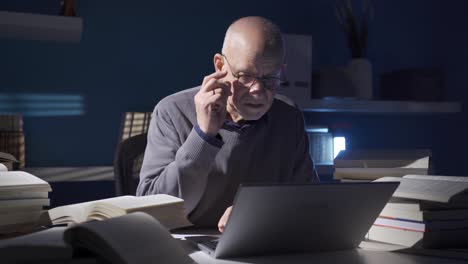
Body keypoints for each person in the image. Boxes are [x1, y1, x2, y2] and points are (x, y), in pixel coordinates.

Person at [136, 16, 319, 232]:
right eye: (244, 76)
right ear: (220, 65)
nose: (257, 90)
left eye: (271, 78)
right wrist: (203, 135)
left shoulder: (288, 117)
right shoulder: (172, 112)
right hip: (186, 246)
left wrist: (260, 212)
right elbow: (151, 212)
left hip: (262, 243)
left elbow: (311, 201)